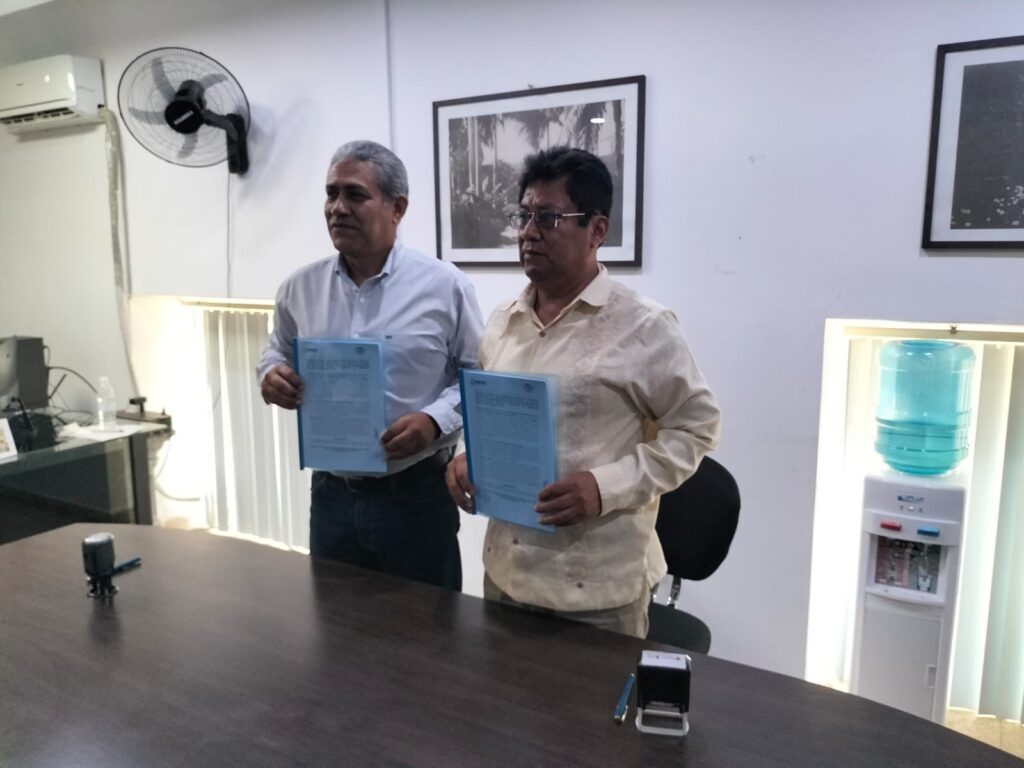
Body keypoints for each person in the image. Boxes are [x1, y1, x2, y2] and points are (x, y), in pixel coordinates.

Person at [446, 146, 721, 637]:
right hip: (506, 576)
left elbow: (696, 429)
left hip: (598, 594)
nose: (528, 233)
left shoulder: (643, 327)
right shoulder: (503, 323)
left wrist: (604, 487)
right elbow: (487, 417)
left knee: (595, 694)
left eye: (548, 218)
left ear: (597, 230)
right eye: (523, 216)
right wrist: (470, 456)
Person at [258, 140, 484, 590]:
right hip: (331, 497)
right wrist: (271, 375)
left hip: (416, 496)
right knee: (337, 624)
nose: (337, 208)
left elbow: (478, 379)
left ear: (397, 207)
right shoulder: (299, 288)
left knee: (427, 627)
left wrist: (434, 421)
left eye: (355, 195)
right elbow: (277, 350)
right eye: (331, 193)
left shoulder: (445, 287)